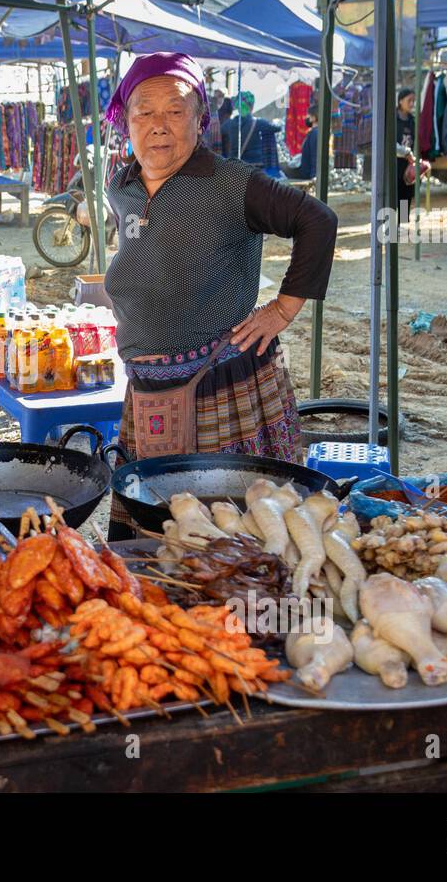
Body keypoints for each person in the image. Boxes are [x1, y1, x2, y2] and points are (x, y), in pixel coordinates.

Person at [99, 53, 337, 540]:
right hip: (148, 389)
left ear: (200, 119)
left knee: (235, 532)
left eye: (175, 110)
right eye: (144, 111)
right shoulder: (121, 186)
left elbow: (317, 220)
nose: (159, 125)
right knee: (161, 532)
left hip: (223, 385)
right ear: (126, 121)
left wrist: (282, 309)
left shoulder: (231, 183)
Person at [220, 91, 282, 174]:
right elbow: (277, 128)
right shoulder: (259, 123)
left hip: (235, 170)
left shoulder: (228, 124)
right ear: (251, 107)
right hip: (255, 169)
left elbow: (221, 131)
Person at [396, 87, 418, 213]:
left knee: (406, 197)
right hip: (395, 165)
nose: (411, 104)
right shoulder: (393, 119)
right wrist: (405, 152)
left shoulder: (412, 120)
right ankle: (392, 229)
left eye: (413, 101)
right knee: (395, 197)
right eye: (409, 100)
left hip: (408, 165)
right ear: (400, 101)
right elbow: (390, 143)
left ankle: (402, 227)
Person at [281, 112, 319, 181]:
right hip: (305, 170)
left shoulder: (315, 133)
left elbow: (315, 156)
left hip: (305, 173)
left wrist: (313, 177)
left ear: (314, 118)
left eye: (309, 116)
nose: (307, 117)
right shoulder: (314, 132)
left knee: (280, 169)